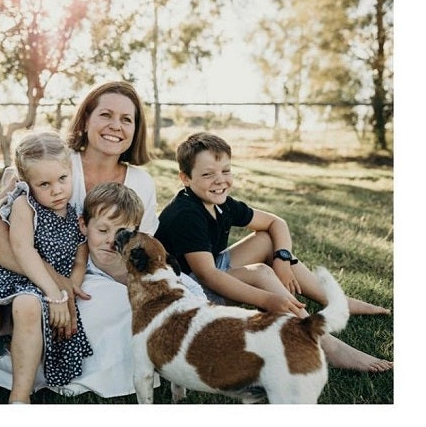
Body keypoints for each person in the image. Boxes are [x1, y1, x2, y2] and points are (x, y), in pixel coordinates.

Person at [0, 80, 162, 400]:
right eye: (106, 115)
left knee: (120, 309)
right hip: (38, 272)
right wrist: (57, 285)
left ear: (136, 128)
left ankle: (4, 372)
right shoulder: (54, 161)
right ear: (86, 119)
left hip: (100, 278)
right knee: (49, 306)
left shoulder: (141, 182)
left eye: (127, 119)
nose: (116, 125)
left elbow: (137, 254)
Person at [155, 132, 393, 372]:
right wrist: (267, 299)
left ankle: (331, 299)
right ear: (185, 178)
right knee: (260, 272)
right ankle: (322, 341)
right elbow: (208, 276)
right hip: (184, 291)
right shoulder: (186, 214)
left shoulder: (220, 203)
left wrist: (282, 260)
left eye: (226, 171)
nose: (220, 180)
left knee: (267, 241)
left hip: (204, 271)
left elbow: (276, 223)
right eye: (207, 174)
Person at [0, 131, 92, 404]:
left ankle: (19, 399)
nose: (56, 189)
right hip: (10, 279)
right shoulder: (24, 205)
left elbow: (80, 259)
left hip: (38, 292)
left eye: (62, 179)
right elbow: (22, 250)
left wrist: (69, 291)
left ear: (71, 172)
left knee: (28, 304)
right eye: (44, 184)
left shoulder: (76, 213)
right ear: (27, 184)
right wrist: (53, 291)